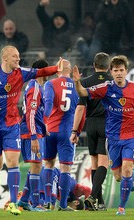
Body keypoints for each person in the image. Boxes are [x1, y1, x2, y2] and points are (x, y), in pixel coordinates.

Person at [0, 45, 61, 215]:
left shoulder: (21, 72)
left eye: (18, 56)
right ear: (5, 58)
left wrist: (57, 68)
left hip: (11, 124)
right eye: (14, 57)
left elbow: (39, 72)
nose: (18, 59)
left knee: (12, 162)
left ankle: (12, 202)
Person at [72, 55, 134, 215]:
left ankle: (121, 208)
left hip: (131, 136)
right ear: (111, 71)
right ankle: (127, 181)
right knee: (118, 176)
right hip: (113, 139)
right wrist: (76, 81)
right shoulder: (106, 87)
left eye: (121, 70)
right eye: (115, 70)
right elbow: (82, 91)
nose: (118, 73)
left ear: (126, 71)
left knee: (127, 169)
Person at [70, 52, 111, 211]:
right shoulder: (112, 82)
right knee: (103, 163)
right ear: (108, 67)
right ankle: (94, 197)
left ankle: (99, 202)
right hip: (107, 124)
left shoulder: (85, 82)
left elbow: (80, 109)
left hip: (91, 125)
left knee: (94, 163)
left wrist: (75, 130)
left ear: (94, 65)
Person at [42, 59, 79, 211]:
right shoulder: (77, 87)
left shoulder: (50, 84)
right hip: (67, 132)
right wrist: (77, 131)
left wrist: (44, 121)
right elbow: (81, 111)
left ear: (57, 70)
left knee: (48, 165)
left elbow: (48, 102)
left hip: (49, 130)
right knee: (65, 169)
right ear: (69, 71)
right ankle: (63, 205)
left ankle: (48, 201)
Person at [17, 59, 49, 212]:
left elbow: (37, 113)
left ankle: (23, 200)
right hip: (31, 132)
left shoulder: (35, 86)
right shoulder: (35, 87)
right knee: (36, 165)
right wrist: (34, 136)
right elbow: (30, 113)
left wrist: (43, 127)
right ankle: (36, 203)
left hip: (35, 129)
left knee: (36, 165)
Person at [76, 0, 134, 64]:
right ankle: (81, 43)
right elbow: (97, 18)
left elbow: (128, 24)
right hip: (101, 36)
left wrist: (130, 41)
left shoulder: (124, 5)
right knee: (91, 58)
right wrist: (105, 5)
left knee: (120, 60)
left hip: (115, 38)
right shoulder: (104, 4)